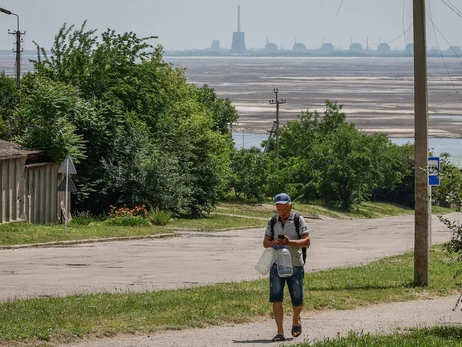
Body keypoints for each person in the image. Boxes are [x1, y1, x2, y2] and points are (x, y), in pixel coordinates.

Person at [262, 193, 310, 342]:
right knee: (276, 298)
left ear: (291, 206)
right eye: (279, 209)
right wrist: (274, 243)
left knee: (297, 299)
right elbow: (265, 242)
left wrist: (290, 242)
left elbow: (307, 241)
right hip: (277, 265)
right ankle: (280, 332)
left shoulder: (298, 220)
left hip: (295, 265)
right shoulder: (272, 221)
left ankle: (296, 318)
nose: (282, 212)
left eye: (284, 209)